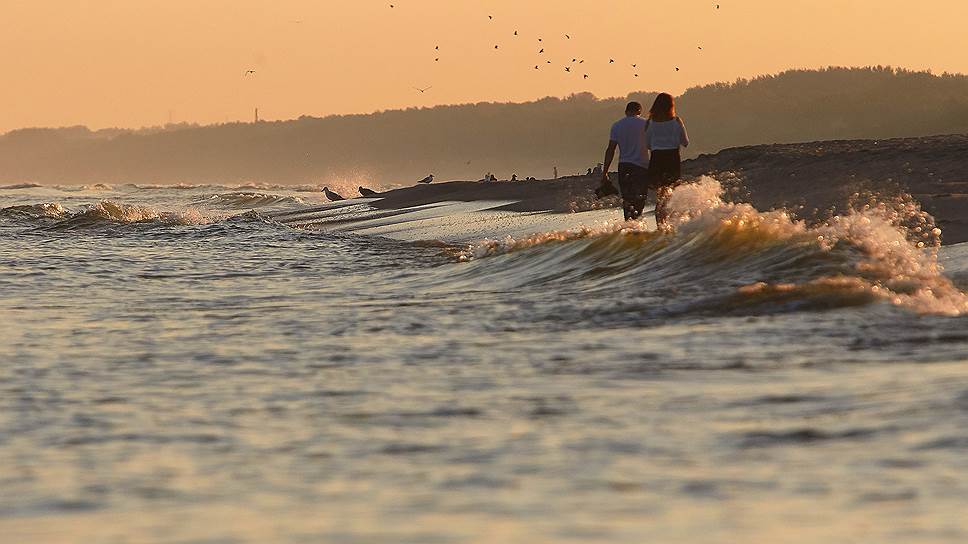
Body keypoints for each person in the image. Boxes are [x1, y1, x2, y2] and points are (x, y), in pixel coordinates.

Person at [645, 93, 689, 227]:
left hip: (657, 158)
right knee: (671, 192)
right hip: (672, 158)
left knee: (660, 195)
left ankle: (660, 226)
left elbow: (647, 144)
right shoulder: (676, 121)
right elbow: (685, 142)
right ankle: (670, 224)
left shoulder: (650, 123)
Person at [601, 101, 649, 220]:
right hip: (641, 167)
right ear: (639, 111)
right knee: (640, 198)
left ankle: (628, 226)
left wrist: (605, 172)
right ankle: (637, 224)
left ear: (626, 112)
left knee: (627, 199)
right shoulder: (646, 124)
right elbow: (653, 145)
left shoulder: (617, 125)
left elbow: (610, 149)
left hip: (624, 166)